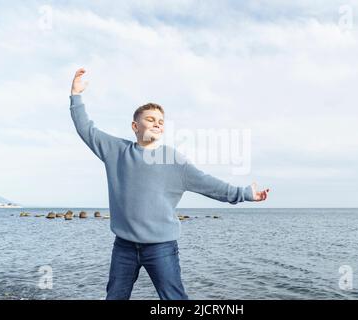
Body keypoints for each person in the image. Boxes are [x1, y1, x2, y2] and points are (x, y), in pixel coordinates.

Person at [69, 68, 270, 300]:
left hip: (161, 247)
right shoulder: (117, 151)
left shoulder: (175, 162)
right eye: (150, 119)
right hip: (123, 247)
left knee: (174, 300)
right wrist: (76, 95)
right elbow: (86, 129)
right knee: (114, 297)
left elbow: (209, 184)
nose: (157, 124)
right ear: (135, 126)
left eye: (161, 121)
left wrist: (245, 193)